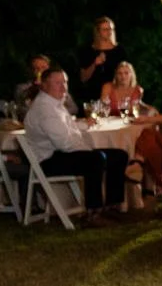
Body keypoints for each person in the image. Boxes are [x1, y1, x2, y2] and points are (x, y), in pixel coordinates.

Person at [24, 68, 130, 220]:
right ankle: (93, 212)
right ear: (45, 86)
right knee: (95, 159)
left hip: (59, 153)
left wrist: (84, 126)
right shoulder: (44, 108)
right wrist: (87, 150)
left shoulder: (54, 103)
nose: (63, 87)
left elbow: (68, 128)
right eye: (58, 83)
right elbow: (65, 144)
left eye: (65, 82)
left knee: (119, 155)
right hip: (47, 160)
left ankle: (112, 206)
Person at [76, 16, 127, 101]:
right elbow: (83, 78)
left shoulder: (119, 50)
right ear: (98, 32)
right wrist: (95, 64)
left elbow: (126, 74)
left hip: (114, 93)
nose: (109, 32)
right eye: (105, 29)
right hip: (92, 94)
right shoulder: (87, 50)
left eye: (111, 29)